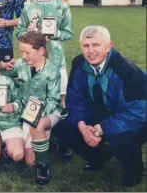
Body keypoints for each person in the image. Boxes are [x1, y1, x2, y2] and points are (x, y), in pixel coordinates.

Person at [55, 25, 146, 187]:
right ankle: (97, 157)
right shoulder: (79, 63)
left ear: (109, 46)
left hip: (130, 118)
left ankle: (134, 168)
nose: (91, 51)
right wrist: (83, 126)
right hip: (98, 114)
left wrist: (103, 127)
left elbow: (138, 111)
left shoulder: (126, 71)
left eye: (96, 45)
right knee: (64, 128)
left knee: (122, 140)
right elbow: (75, 101)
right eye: (86, 46)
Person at [1, 32, 61, 185]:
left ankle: (43, 167)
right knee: (29, 161)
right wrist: (2, 66)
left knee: (38, 126)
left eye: (28, 52)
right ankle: (44, 143)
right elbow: (5, 73)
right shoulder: (21, 64)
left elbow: (54, 100)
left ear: (41, 51)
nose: (24, 55)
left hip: (47, 112)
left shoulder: (52, 71)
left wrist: (37, 114)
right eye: (21, 51)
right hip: (24, 111)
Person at [16, 0, 73, 111]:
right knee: (34, 100)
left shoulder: (62, 7)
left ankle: (59, 131)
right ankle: (36, 131)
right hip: (33, 62)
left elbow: (68, 33)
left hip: (56, 61)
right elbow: (19, 33)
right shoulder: (28, 6)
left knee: (60, 100)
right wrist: (28, 33)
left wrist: (54, 34)